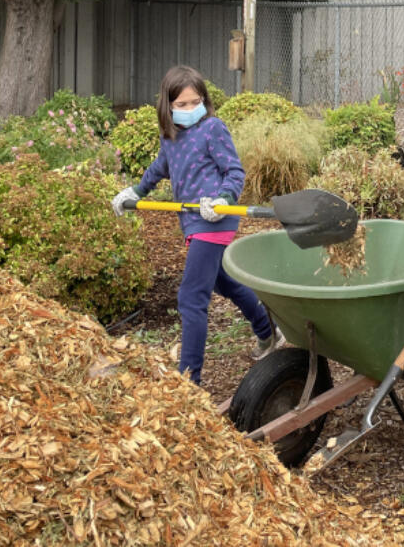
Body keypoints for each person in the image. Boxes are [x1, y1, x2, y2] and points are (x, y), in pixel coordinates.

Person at [112, 65, 282, 384]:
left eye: (195, 101)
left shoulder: (212, 128)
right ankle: (267, 329)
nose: (190, 109)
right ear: (168, 106)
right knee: (223, 282)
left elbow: (234, 172)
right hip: (192, 220)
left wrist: (223, 199)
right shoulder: (171, 137)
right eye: (182, 104)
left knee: (191, 298)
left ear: (204, 100)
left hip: (215, 219)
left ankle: (189, 380)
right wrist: (135, 192)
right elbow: (160, 168)